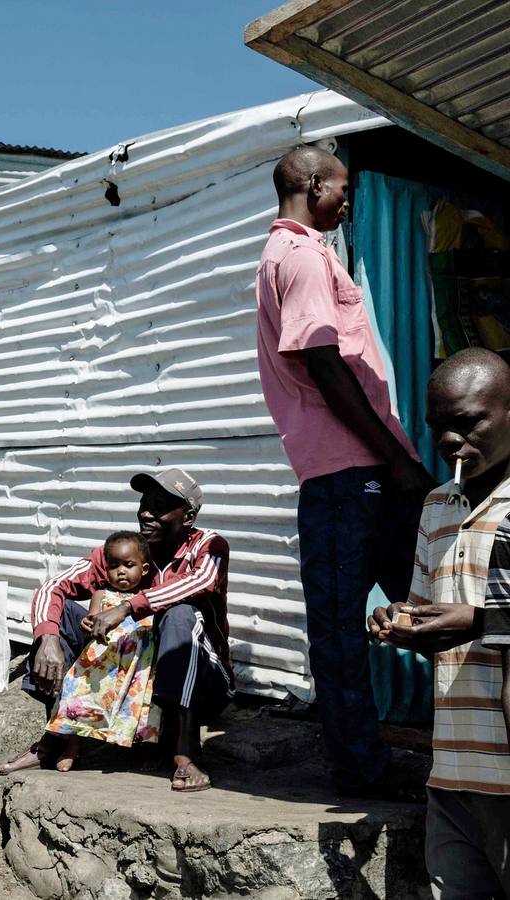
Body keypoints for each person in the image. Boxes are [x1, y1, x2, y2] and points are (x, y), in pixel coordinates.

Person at [255, 145, 434, 797]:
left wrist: (398, 457)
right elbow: (325, 365)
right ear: (310, 184)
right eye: (342, 187)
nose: (349, 199)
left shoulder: (307, 252)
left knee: (429, 608)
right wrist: (390, 456)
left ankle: (474, 738)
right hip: (344, 474)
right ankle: (361, 768)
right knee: (340, 627)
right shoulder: (299, 256)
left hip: (364, 471)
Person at [369, 348, 510, 898]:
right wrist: (401, 624)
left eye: (468, 422)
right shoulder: (437, 505)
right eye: (438, 428)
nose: (450, 441)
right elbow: (430, 615)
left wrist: (476, 619)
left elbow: (474, 622)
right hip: (453, 766)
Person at [3, 469, 233, 793]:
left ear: (189, 516)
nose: (146, 513)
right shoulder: (125, 550)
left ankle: (185, 750)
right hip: (130, 682)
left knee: (180, 615)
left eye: (160, 507)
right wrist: (47, 636)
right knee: (62, 617)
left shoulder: (208, 546)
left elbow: (201, 582)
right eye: (144, 504)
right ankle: (56, 736)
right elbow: (53, 587)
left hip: (205, 684)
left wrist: (128, 607)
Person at [43, 531, 160, 772]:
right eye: (114, 566)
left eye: (129, 565)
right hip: (102, 662)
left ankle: (140, 753)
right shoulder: (101, 594)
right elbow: (91, 619)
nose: (121, 572)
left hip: (135, 666)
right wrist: (88, 623)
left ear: (145, 569)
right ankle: (73, 748)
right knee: (79, 696)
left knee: (138, 707)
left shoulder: (147, 598)